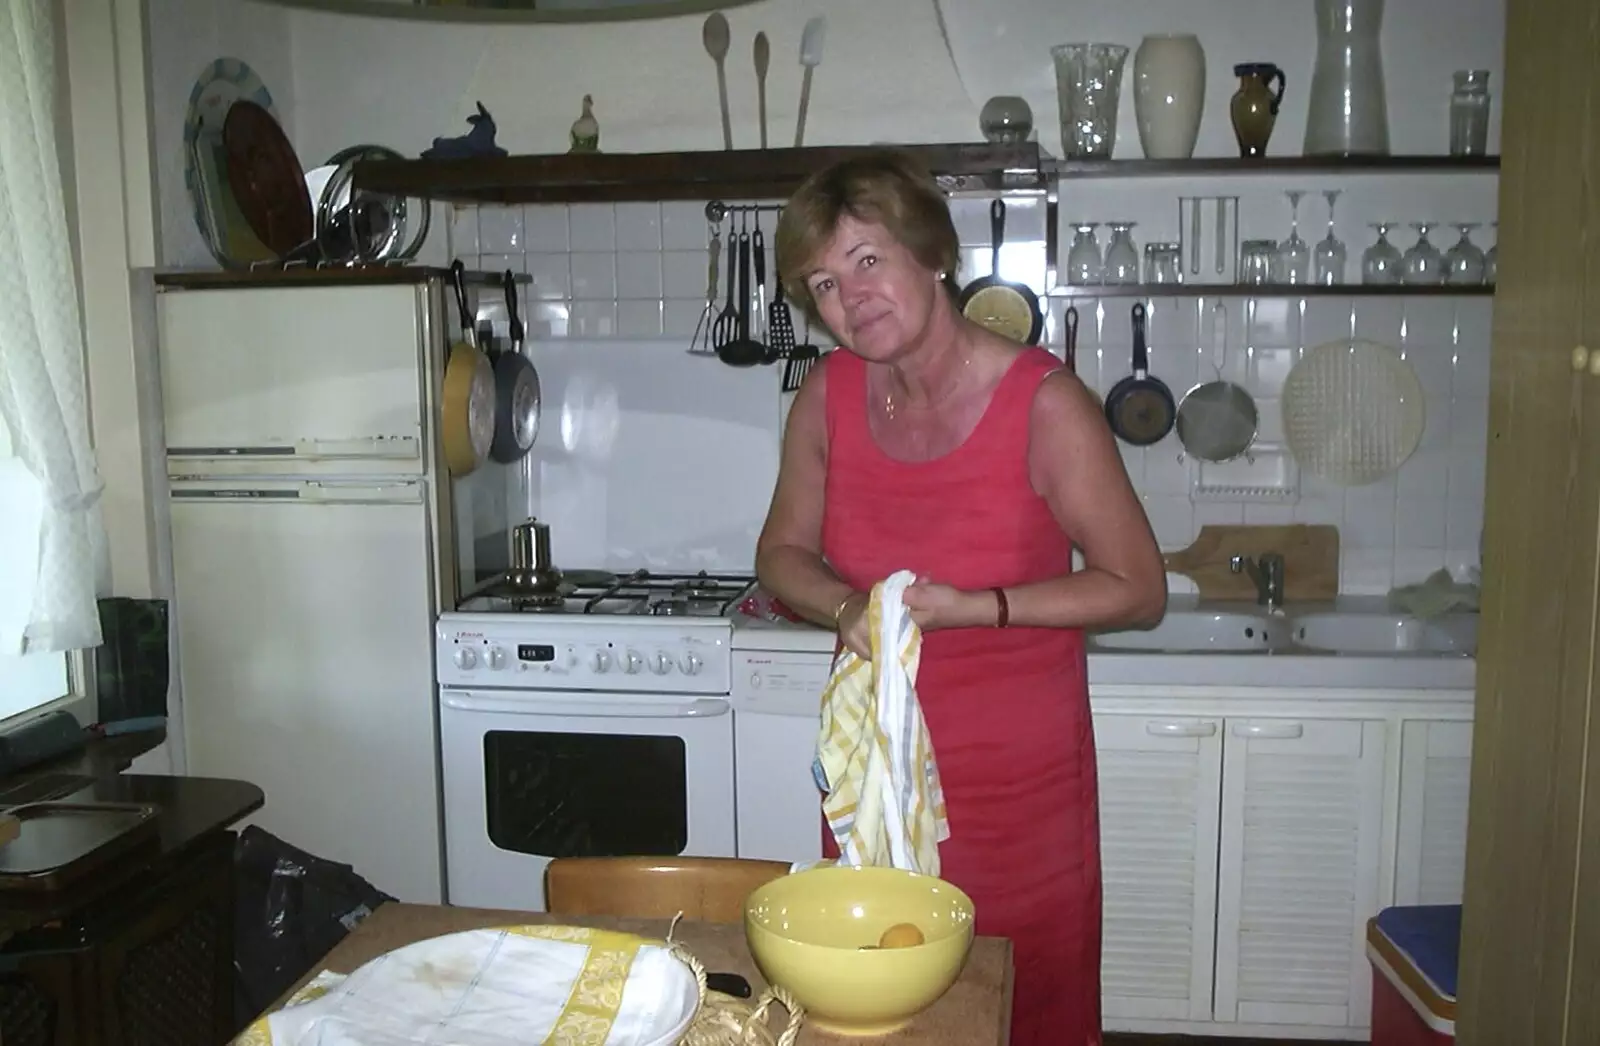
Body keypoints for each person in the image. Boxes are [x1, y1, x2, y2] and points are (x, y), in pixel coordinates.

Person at [755, 150, 1166, 1046]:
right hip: (875, 788)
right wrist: (845, 610)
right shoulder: (826, 397)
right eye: (824, 282)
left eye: (869, 261)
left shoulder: (1045, 403)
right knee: (874, 1010)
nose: (850, 297)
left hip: (1018, 796)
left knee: (1024, 1011)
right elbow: (780, 555)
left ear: (930, 253)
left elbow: (1139, 588)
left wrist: (978, 607)